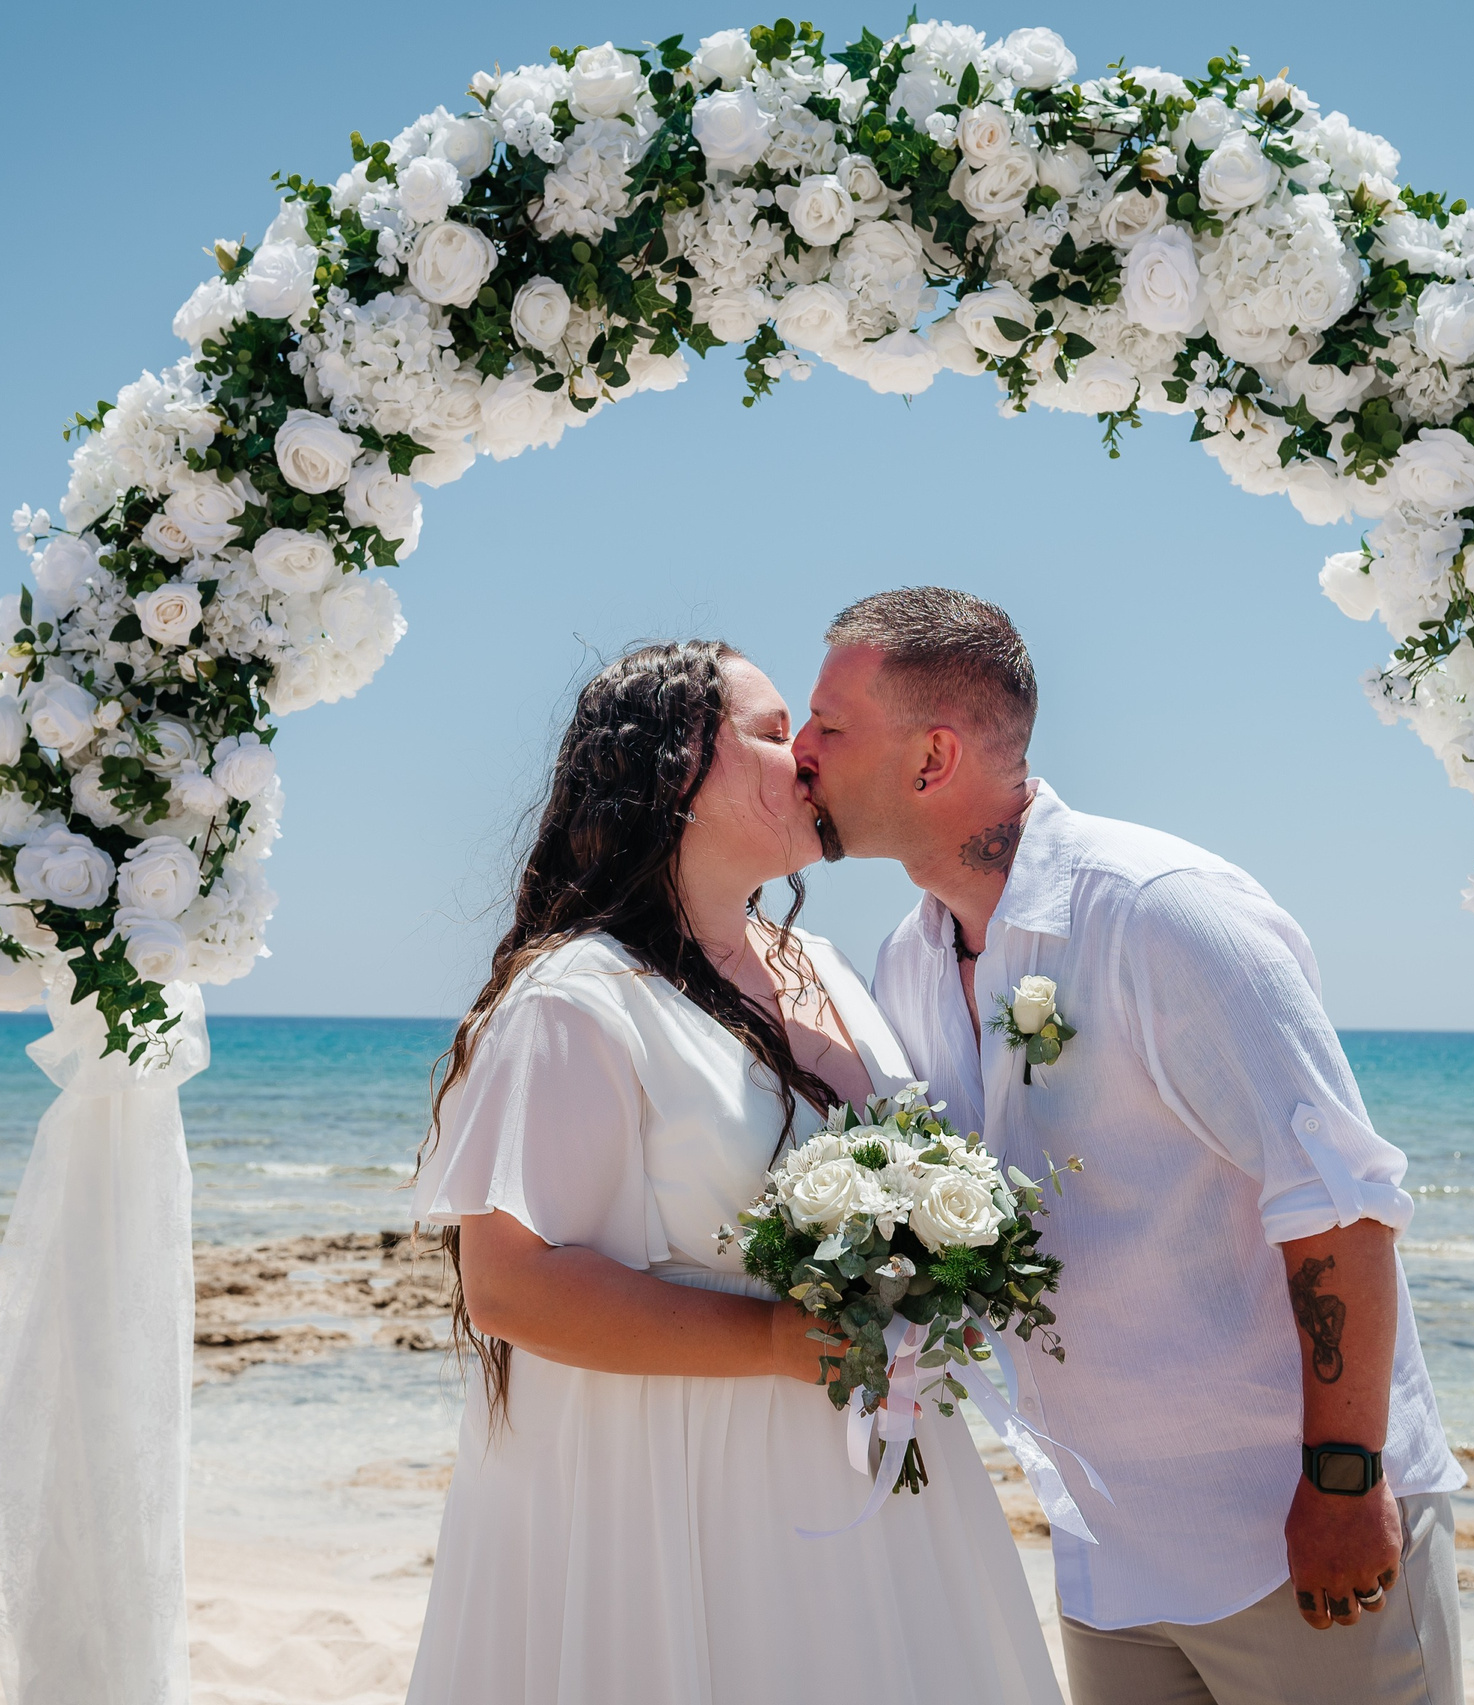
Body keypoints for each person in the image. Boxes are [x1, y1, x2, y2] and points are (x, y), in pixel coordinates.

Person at [794, 588, 1468, 1705]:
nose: (802, 755)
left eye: (829, 726)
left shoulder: (1162, 912)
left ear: (931, 758)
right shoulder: (907, 959)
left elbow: (1338, 1201)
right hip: (1103, 1544)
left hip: (1294, 1531)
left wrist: (1344, 1480)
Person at [406, 639, 1064, 1705]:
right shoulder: (579, 998)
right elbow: (511, 1285)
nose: (807, 755)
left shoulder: (826, 969)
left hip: (874, 1470)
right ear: (676, 775)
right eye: (767, 732)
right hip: (685, 1495)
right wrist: (768, 1339)